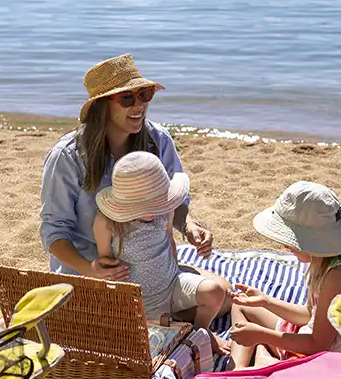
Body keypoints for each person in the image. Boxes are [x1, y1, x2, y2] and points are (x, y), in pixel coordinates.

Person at [40, 54, 230, 328]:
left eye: (145, 94)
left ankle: (152, 320)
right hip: (96, 272)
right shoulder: (68, 157)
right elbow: (54, 231)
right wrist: (90, 269)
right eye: (127, 98)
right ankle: (155, 321)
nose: (139, 105)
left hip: (147, 268)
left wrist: (187, 225)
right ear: (101, 106)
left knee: (222, 292)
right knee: (210, 297)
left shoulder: (157, 140)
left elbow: (171, 202)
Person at [227, 182, 341, 367]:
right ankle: (238, 368)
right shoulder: (324, 262)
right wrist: (266, 302)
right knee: (241, 306)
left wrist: (262, 335)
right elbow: (309, 315)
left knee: (266, 364)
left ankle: (259, 358)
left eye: (291, 240)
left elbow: (318, 345)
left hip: (333, 363)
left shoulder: (340, 276)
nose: (285, 246)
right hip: (316, 341)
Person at [91, 152, 201, 322]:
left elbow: (169, 241)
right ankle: (178, 322)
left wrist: (176, 272)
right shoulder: (106, 223)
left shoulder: (163, 211)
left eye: (157, 203)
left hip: (169, 282)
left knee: (221, 293)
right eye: (144, 206)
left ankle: (194, 327)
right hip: (139, 296)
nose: (153, 211)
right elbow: (105, 262)